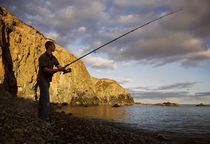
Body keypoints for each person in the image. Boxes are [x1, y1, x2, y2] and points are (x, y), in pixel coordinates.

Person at [37, 41, 71, 120]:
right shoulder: (42, 57)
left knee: (43, 98)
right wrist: (58, 70)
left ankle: (40, 116)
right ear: (49, 46)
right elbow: (45, 70)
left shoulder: (53, 57)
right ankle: (44, 118)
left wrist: (66, 71)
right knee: (46, 99)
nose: (55, 47)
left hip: (47, 80)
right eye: (53, 45)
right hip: (42, 79)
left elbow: (59, 67)